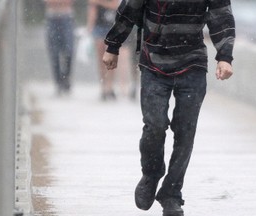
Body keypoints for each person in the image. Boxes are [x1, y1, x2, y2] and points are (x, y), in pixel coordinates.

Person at [103, 0, 235, 216]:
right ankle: (151, 173)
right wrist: (113, 45)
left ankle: (171, 194)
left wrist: (225, 57)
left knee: (186, 130)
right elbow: (130, 9)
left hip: (193, 63)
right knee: (154, 125)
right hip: (153, 62)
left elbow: (222, 18)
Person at [87, 0, 119, 100]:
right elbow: (92, 6)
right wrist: (90, 26)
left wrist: (100, 2)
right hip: (99, 26)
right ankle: (103, 86)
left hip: (111, 26)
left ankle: (110, 85)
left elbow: (115, 5)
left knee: (111, 57)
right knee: (101, 59)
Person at [44, 0, 75, 95]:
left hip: (67, 17)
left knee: (69, 51)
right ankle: (58, 82)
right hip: (52, 18)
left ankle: (66, 77)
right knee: (54, 53)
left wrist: (57, 3)